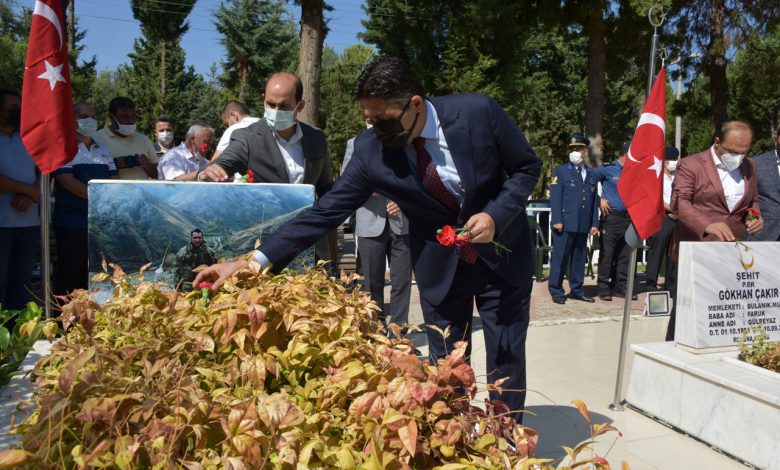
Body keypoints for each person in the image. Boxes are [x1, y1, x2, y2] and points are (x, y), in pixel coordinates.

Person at [195, 56, 541, 422]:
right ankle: (461, 440)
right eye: (370, 120)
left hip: (501, 260)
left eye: (385, 120)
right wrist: (253, 261)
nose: (377, 130)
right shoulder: (370, 151)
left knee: (506, 359)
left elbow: (525, 168)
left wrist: (495, 215)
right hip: (441, 270)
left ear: (415, 105)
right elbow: (324, 212)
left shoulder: (477, 113)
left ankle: (506, 442)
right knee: (447, 369)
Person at [199, 72, 336, 266]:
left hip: (310, 245)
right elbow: (226, 161)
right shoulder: (247, 137)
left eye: (284, 106)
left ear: (300, 106)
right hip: (265, 248)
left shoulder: (316, 139)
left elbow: (326, 189)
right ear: (263, 100)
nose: (276, 110)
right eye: (271, 104)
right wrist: (212, 170)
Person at [666, 121, 764, 340]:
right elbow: (679, 203)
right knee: (685, 314)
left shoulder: (750, 166)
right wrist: (706, 225)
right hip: (695, 249)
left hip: (732, 252)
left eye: (744, 152)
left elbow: (753, 202)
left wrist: (755, 218)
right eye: (732, 151)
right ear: (717, 141)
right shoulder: (691, 165)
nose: (738, 157)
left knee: (722, 314)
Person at [342, 135, 412, 330]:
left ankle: (399, 330)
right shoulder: (355, 143)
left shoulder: (405, 140)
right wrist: (371, 187)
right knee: (372, 281)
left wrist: (404, 201)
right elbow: (347, 179)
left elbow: (415, 177)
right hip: (369, 220)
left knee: (402, 280)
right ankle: (375, 327)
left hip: (402, 222)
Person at [52, 102, 118, 295]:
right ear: (72, 120)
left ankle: (89, 321)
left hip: (99, 225)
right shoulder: (64, 147)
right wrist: (99, 199)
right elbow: (66, 181)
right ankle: (66, 322)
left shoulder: (104, 150)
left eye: (94, 115)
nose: (90, 120)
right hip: (71, 223)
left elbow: (114, 181)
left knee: (95, 276)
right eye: (83, 116)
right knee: (70, 275)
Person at [0, 89, 40, 311]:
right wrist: (28, 190)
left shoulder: (28, 139)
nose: (19, 112)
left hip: (28, 226)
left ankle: (17, 339)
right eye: (13, 108)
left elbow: (43, 172)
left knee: (21, 284)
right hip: (1, 225)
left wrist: (32, 192)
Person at [547, 134, 599, 304]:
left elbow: (593, 201)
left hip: (583, 223)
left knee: (578, 258)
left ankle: (577, 289)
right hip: (565, 222)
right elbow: (555, 198)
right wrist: (557, 219)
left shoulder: (591, 173)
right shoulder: (561, 171)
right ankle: (556, 290)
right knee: (560, 258)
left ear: (585, 151)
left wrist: (594, 223)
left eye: (577, 149)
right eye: (571, 149)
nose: (574, 152)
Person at [595, 142, 636, 301]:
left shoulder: (634, 171)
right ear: (626, 154)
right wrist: (599, 200)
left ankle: (622, 287)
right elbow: (588, 186)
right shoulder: (606, 169)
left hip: (629, 218)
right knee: (608, 254)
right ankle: (603, 287)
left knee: (625, 255)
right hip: (612, 218)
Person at [93, 96, 158, 180]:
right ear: (111, 117)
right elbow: (89, 174)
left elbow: (157, 175)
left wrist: (147, 165)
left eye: (133, 116)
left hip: (140, 193)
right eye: (124, 116)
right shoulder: (96, 139)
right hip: (110, 192)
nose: (130, 120)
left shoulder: (144, 140)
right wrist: (115, 164)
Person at [643, 147, 680, 290]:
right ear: (664, 162)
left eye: (676, 159)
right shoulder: (656, 177)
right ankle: (651, 282)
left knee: (674, 251)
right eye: (671, 160)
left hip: (678, 217)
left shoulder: (680, 176)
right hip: (663, 216)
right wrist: (671, 209)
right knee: (657, 250)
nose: (674, 163)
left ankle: (671, 284)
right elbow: (655, 198)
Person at [750, 126, 780, 241]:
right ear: (777, 138)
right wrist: (752, 217)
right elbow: (746, 198)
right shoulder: (755, 163)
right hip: (765, 235)